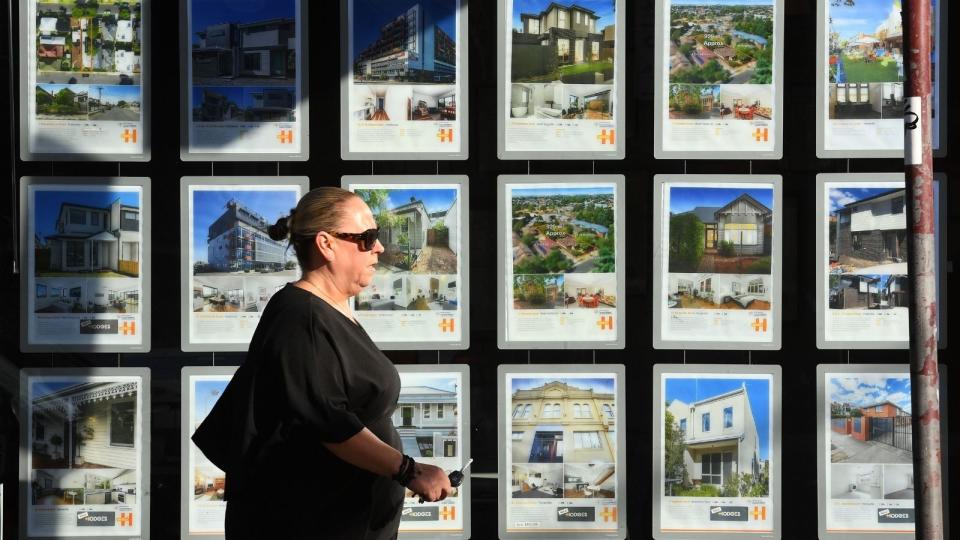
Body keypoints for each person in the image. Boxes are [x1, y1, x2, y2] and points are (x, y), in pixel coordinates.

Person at [192, 187, 452, 539]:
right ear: (326, 244)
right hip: (310, 524)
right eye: (367, 238)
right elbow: (328, 422)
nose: (378, 248)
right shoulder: (302, 317)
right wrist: (410, 471)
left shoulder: (326, 310)